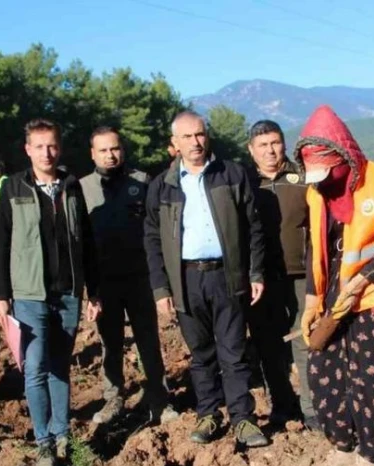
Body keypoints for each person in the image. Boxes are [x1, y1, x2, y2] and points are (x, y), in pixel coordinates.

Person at [293, 105, 374, 466]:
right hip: (333, 295)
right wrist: (313, 299)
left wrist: (362, 280)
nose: (323, 183)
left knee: (372, 375)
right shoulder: (317, 193)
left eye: (329, 174)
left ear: (344, 158)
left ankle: (371, 455)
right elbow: (316, 247)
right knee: (324, 371)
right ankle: (342, 445)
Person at [144, 110, 269, 448]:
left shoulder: (231, 174)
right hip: (185, 280)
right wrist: (160, 289)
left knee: (234, 351)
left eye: (199, 134)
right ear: (175, 143)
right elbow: (153, 240)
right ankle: (209, 414)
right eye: (187, 137)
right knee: (201, 355)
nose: (195, 142)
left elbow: (253, 227)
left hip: (227, 276)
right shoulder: (162, 186)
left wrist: (255, 272)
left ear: (207, 136)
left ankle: (243, 419)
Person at [0, 119, 101, 466]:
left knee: (59, 368)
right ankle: (43, 445)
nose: (46, 152)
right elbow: (1, 244)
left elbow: (85, 241)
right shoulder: (12, 187)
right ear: (28, 150)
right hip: (28, 294)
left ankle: (62, 434)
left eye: (52, 145)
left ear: (60, 148)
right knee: (35, 368)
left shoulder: (71, 186)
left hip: (67, 293)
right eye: (39, 146)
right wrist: (1, 295)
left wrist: (92, 291)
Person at [79, 126, 178, 426]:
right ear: (92, 154)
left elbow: (157, 230)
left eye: (115, 149)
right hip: (103, 280)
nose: (111, 155)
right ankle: (113, 398)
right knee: (110, 342)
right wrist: (88, 288)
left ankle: (159, 398)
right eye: (103, 150)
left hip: (140, 278)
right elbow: (78, 240)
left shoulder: (142, 182)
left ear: (122, 149)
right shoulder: (81, 188)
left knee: (148, 339)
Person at [244, 119, 316, 429]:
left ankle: (312, 409)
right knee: (269, 344)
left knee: (305, 340)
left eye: (275, 143)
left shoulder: (303, 177)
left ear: (284, 144)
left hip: (302, 274)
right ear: (251, 150)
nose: (270, 150)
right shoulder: (244, 182)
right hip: (261, 278)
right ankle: (282, 406)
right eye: (262, 145)